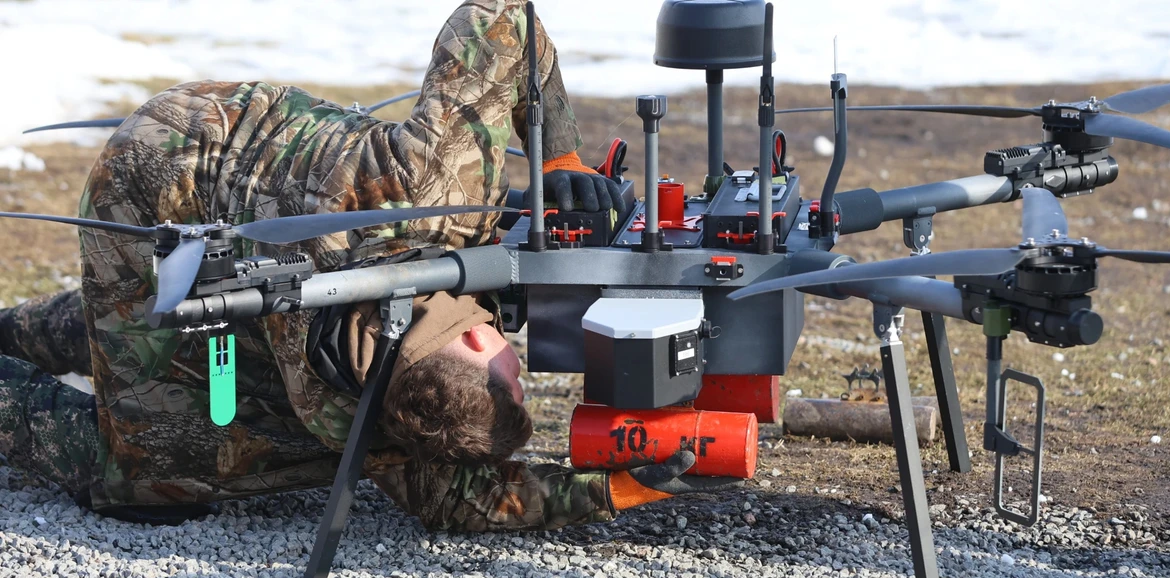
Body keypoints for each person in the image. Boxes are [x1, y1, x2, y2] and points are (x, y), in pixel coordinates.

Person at [0, 0, 739, 530]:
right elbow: (501, 16)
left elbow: (456, 497)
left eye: (515, 367)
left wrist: (613, 491)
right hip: (157, 174)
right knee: (149, 435)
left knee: (163, 452)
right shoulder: (428, 205)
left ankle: (28, 345)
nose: (515, 348)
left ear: (479, 341)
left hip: (236, 221)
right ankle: (46, 337)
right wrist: (563, 159)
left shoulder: (358, 398)